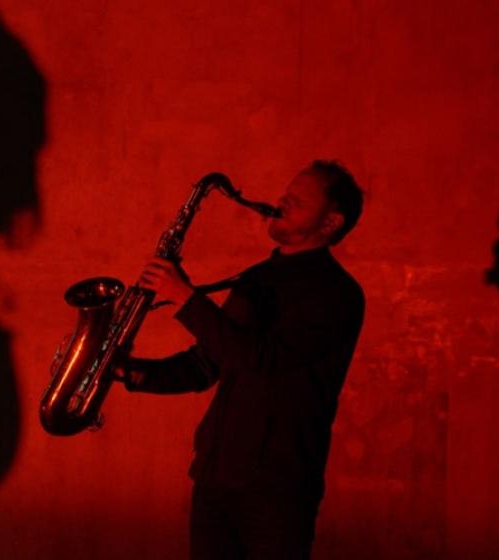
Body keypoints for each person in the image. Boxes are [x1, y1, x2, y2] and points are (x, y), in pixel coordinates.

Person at [116, 160, 365, 559]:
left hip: (277, 490)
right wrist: (130, 371)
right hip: (217, 477)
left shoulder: (337, 295)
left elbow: (262, 359)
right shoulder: (257, 279)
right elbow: (207, 364)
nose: (282, 201)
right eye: (286, 193)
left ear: (331, 222)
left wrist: (185, 298)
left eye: (298, 201)